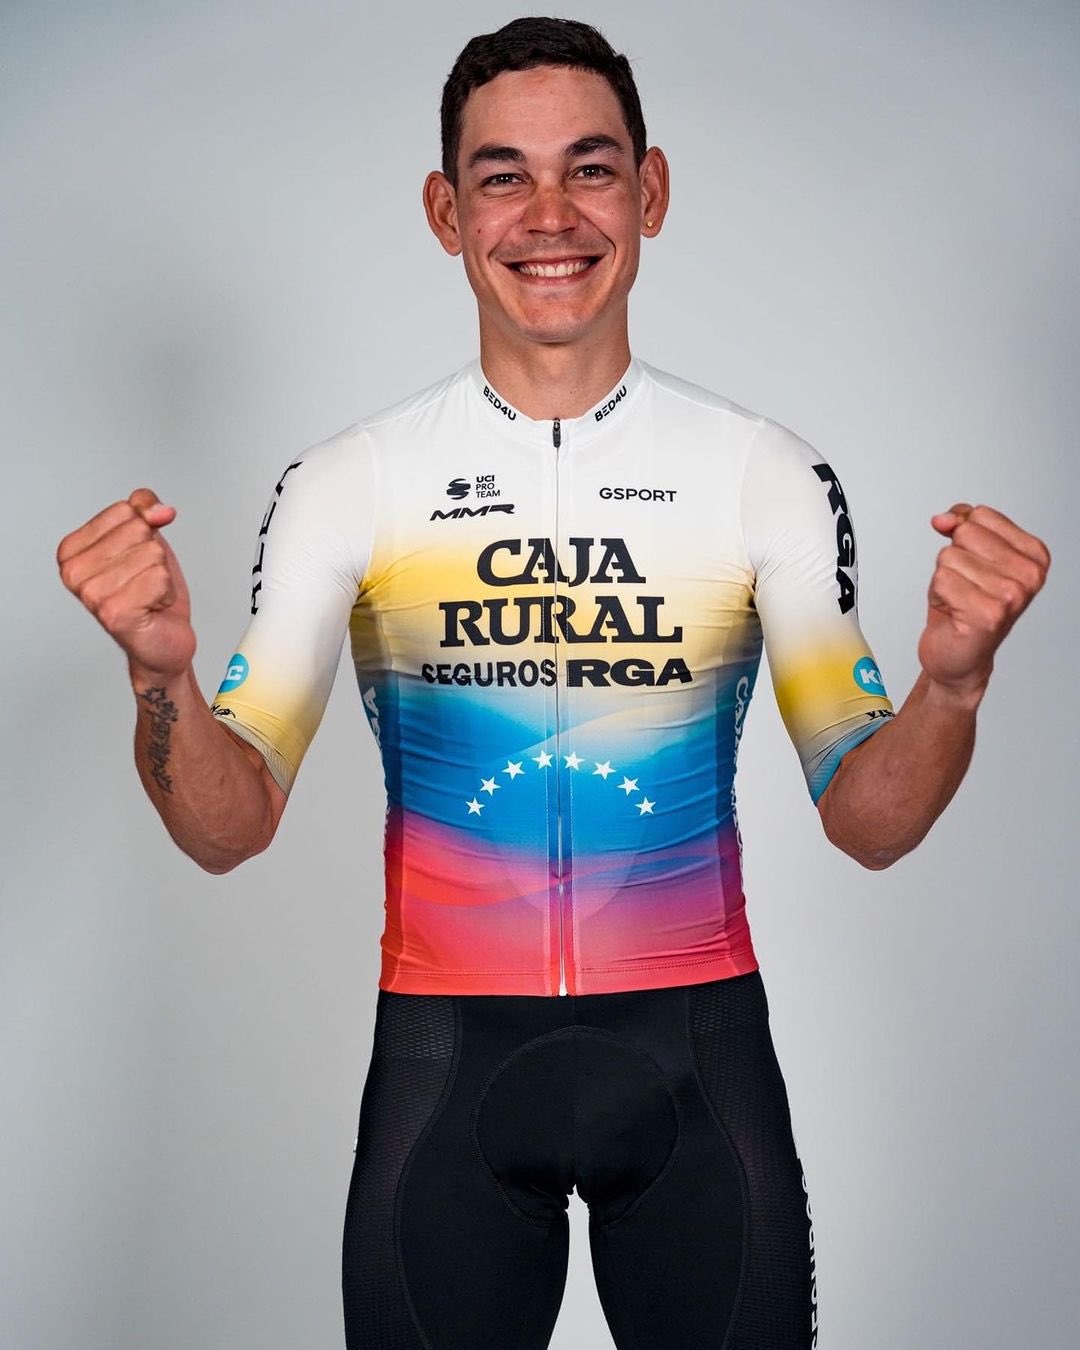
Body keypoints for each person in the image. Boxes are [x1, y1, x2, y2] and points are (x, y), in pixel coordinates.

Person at [56, 16, 1050, 1349]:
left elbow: (869, 821)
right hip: (447, 1074)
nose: (549, 215)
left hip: (695, 1061)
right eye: (502, 176)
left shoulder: (761, 473)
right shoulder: (351, 485)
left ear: (650, 191)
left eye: (589, 168)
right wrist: (159, 674)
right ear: (445, 212)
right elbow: (227, 829)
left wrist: (953, 687)